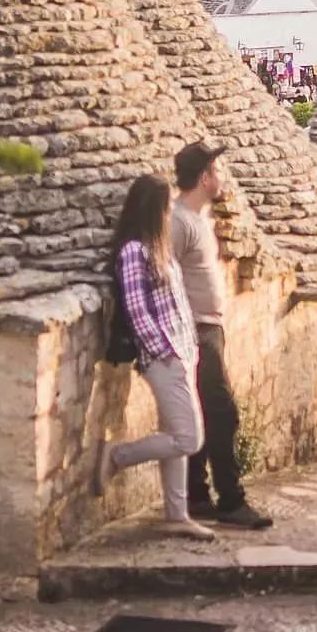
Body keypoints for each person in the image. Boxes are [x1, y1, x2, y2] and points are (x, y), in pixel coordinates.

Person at [94, 175, 214, 540]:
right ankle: (118, 456)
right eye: (165, 207)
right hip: (164, 358)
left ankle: (176, 514)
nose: (169, 213)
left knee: (177, 434)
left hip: (182, 353)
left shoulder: (159, 247)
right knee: (188, 439)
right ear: (153, 209)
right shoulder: (134, 251)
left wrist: (187, 350)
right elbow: (136, 308)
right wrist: (165, 352)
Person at [171, 143, 273, 530]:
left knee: (203, 410)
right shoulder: (178, 222)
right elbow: (164, 275)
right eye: (216, 170)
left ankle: (197, 494)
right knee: (222, 412)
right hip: (197, 331)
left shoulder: (198, 219)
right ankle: (230, 499)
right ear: (203, 178)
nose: (221, 177)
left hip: (209, 327)